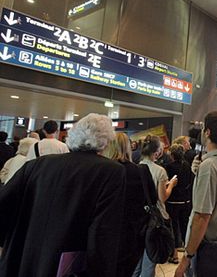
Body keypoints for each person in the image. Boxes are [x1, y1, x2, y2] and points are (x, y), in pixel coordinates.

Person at [0, 113, 126, 276]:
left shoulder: (37, 164)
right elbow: (103, 230)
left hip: (23, 259)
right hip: (66, 265)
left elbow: (4, 204)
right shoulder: (111, 171)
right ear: (106, 142)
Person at [174, 111, 217, 277]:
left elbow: (201, 217)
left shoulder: (209, 166)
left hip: (208, 249)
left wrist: (186, 258)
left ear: (208, 132)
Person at [103, 132, 155, 276]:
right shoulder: (141, 171)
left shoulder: (103, 170)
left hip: (106, 232)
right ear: (128, 147)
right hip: (133, 232)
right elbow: (152, 199)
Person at [133, 136, 178, 277]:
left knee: (136, 263)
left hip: (139, 218)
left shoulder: (135, 168)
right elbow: (162, 197)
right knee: (150, 261)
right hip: (155, 219)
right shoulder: (160, 171)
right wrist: (171, 185)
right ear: (157, 152)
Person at [165, 143, 194, 264]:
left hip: (173, 200)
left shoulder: (168, 167)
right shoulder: (187, 165)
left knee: (173, 227)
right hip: (185, 200)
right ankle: (188, 253)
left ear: (172, 154)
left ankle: (174, 254)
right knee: (185, 225)